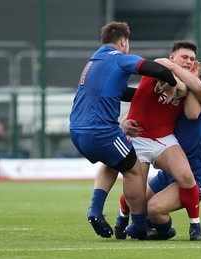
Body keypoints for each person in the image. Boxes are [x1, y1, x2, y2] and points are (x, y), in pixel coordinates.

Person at [69, 21, 179, 240]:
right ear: (123, 41)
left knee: (114, 163)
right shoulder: (119, 58)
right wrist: (171, 83)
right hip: (101, 132)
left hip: (77, 131)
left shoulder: (93, 62)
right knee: (134, 171)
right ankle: (138, 225)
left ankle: (96, 209)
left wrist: (152, 95)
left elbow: (121, 93)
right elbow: (155, 68)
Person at [113, 41, 201, 241]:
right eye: (184, 57)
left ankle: (195, 227)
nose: (189, 61)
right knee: (136, 191)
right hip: (139, 139)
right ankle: (122, 218)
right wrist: (124, 122)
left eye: (192, 59)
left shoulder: (193, 84)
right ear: (172, 58)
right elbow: (159, 69)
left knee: (186, 176)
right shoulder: (160, 66)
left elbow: (191, 109)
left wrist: (184, 82)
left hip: (164, 139)